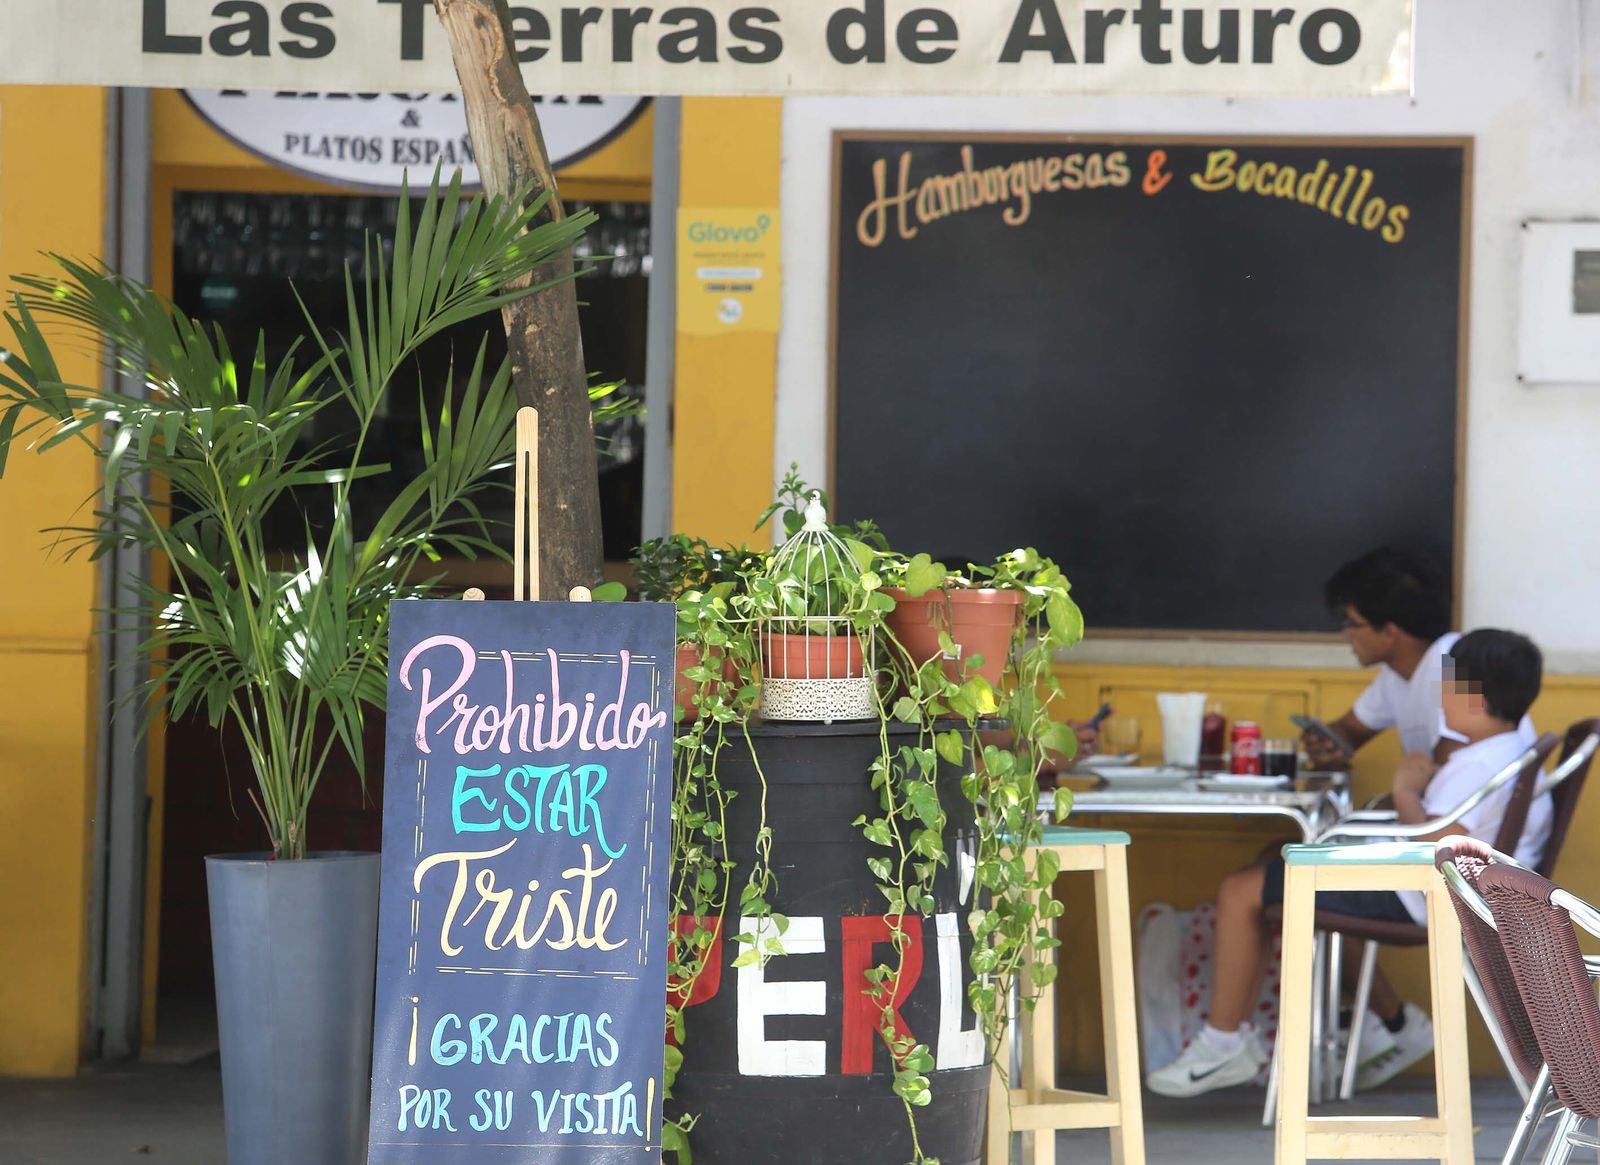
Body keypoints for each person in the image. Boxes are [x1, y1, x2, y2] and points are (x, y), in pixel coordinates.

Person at [1147, 629, 1551, 1098]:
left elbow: (1442, 846)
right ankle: (1306, 1025)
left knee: (1241, 889)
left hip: (1418, 894)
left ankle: (1223, 1042)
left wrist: (1405, 791)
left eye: (1448, 685)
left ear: (1473, 699)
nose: (1440, 697)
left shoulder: (1479, 765)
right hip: (1424, 886)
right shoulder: (1496, 752)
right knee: (1273, 859)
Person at [1305, 547, 1460, 767]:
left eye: (1352, 624)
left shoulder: (1457, 664)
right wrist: (1329, 742)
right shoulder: (1395, 675)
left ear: (1389, 632)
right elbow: (1351, 729)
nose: (1346, 635)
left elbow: (1460, 766)